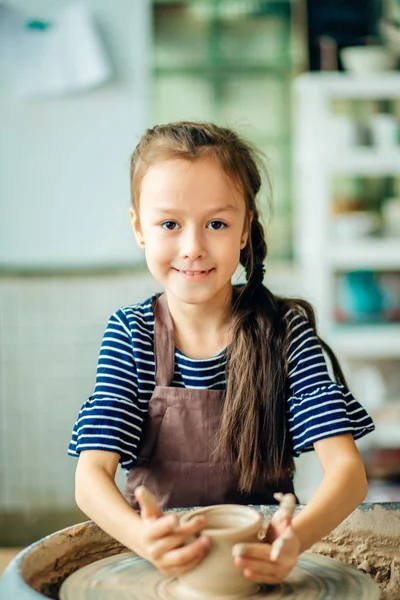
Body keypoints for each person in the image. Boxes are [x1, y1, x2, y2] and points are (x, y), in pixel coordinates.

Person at [68, 121, 374, 584]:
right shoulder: (130, 334)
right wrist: (141, 536)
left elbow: (349, 473)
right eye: (170, 224)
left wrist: (291, 542)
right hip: (158, 570)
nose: (193, 248)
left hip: (261, 569)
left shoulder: (284, 332)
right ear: (139, 228)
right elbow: (91, 476)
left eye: (216, 223)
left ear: (246, 226)